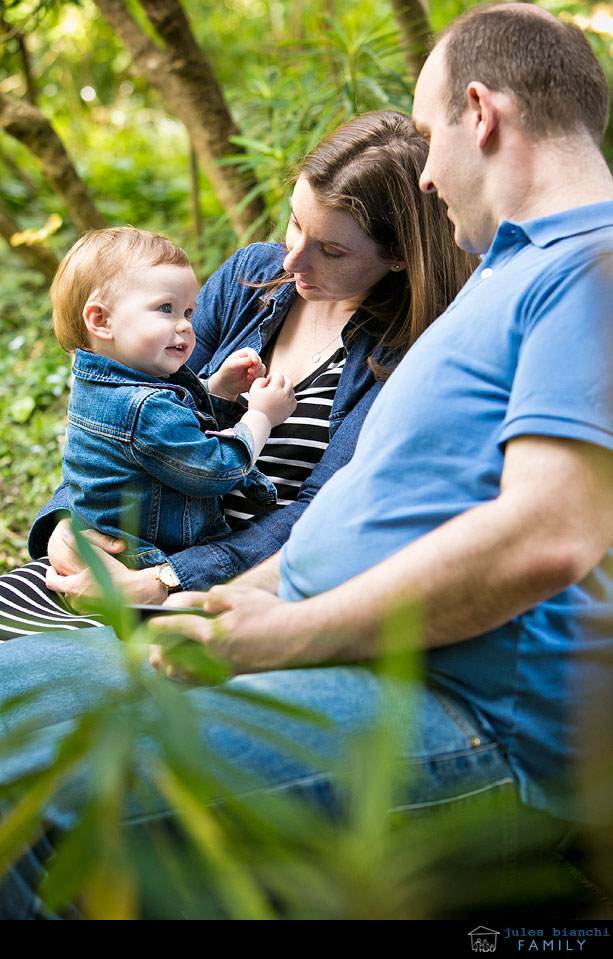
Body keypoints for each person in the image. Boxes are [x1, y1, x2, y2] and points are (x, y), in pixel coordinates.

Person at [0, 111, 475, 637]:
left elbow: (323, 514)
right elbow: (126, 406)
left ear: (402, 257)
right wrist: (65, 524)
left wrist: (166, 581)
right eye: (296, 221)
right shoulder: (253, 276)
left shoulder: (407, 353)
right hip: (127, 548)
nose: (293, 261)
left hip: (233, 590)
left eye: (331, 249)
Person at [53, 226, 295, 570]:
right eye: (166, 308)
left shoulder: (103, 387)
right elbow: (213, 470)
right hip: (147, 562)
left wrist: (220, 390)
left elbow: (174, 429)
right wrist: (261, 417)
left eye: (188, 312)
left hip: (107, 550)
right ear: (101, 320)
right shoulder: (143, 407)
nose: (184, 326)